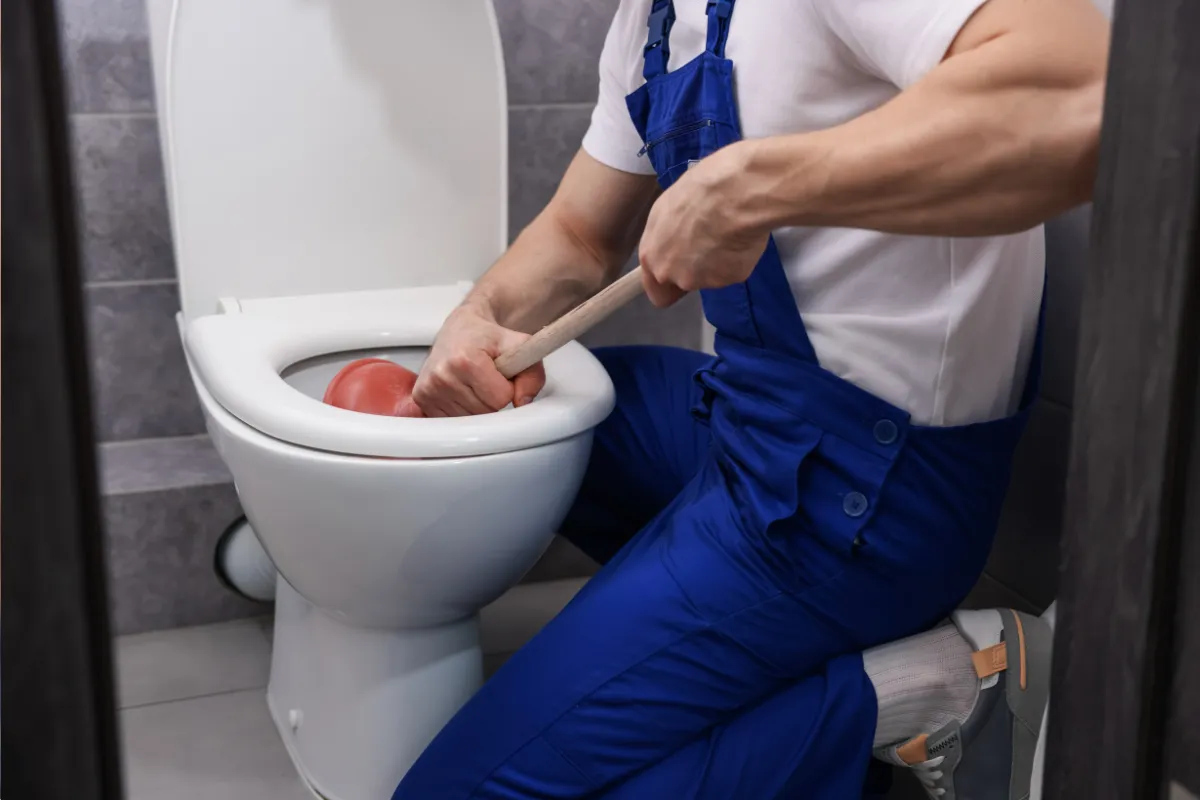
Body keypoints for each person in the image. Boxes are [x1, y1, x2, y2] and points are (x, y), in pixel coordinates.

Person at [392, 0, 1107, 795]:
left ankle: (930, 691)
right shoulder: (651, 22)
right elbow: (578, 235)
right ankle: (735, 647)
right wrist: (478, 316)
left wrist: (753, 185)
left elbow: (1077, 96)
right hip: (752, 419)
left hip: (867, 491)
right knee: (554, 424)